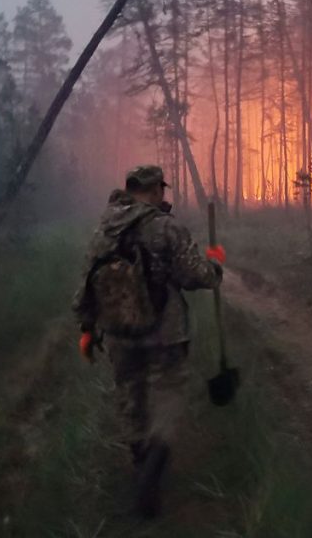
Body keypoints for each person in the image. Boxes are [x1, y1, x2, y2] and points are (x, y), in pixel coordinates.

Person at [72, 165, 224, 517]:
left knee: (131, 399)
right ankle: (152, 471)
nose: (163, 196)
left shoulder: (103, 229)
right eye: (161, 190)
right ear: (155, 189)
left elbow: (87, 284)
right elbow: (193, 275)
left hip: (120, 335)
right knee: (167, 399)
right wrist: (215, 267)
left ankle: (141, 466)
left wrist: (87, 329)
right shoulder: (165, 227)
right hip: (165, 333)